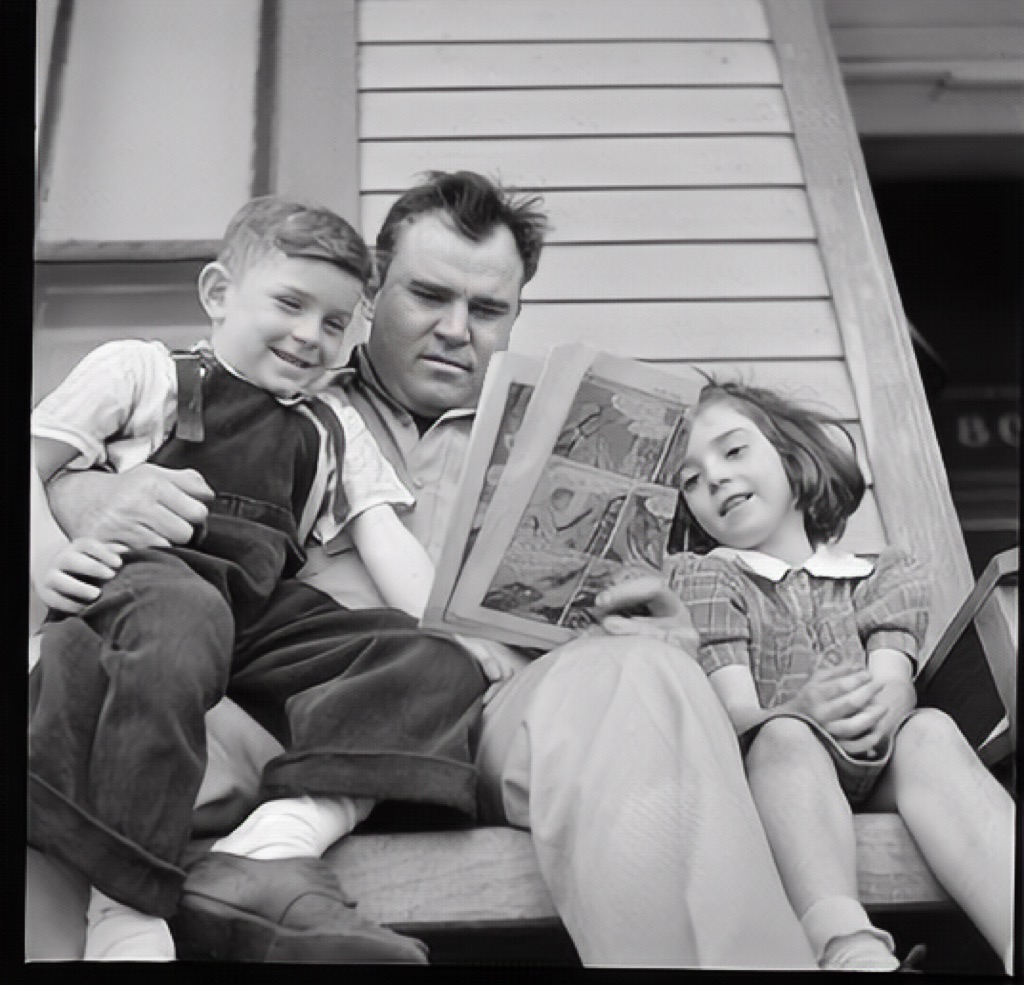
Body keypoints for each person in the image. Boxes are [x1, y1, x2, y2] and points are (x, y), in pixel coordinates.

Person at [39, 170, 819, 968]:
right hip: (278, 707)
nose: (456, 328)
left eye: (487, 310)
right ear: (373, 297)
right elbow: (67, 471)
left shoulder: (562, 438)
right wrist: (85, 491)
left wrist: (658, 635)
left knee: (643, 675)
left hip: (502, 707)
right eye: (428, 296)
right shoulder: (282, 393)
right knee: (100, 685)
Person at [29, 196, 490, 962]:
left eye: (335, 322)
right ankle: (122, 907)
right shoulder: (145, 371)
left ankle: (276, 840)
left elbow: (384, 538)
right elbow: (32, 460)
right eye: (290, 304)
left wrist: (460, 632)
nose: (311, 335)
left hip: (257, 608)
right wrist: (51, 559)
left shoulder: (329, 424)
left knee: (426, 660)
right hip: (147, 587)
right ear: (217, 293)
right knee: (185, 626)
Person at [663, 379, 1015, 973]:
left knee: (927, 729)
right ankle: (848, 949)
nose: (714, 478)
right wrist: (797, 711)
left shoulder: (878, 575)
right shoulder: (710, 582)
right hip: (769, 778)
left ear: (793, 458)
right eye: (690, 480)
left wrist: (889, 699)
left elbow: (892, 683)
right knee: (786, 738)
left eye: (733, 451)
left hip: (873, 769)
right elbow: (736, 716)